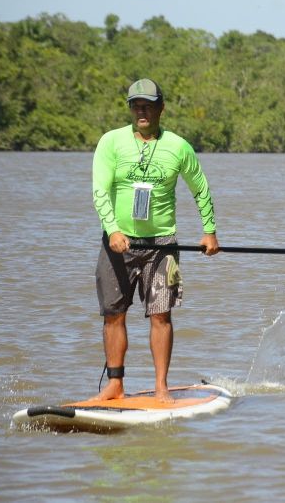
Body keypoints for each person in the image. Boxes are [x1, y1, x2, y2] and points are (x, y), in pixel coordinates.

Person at [91, 78, 219, 403]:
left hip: (163, 245)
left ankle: (161, 386)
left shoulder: (178, 146)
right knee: (113, 314)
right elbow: (100, 191)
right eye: (136, 105)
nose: (142, 110)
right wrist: (112, 229)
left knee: (161, 316)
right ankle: (115, 384)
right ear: (130, 109)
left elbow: (200, 188)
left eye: (148, 104)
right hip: (117, 243)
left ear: (161, 107)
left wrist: (209, 231)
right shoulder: (111, 142)